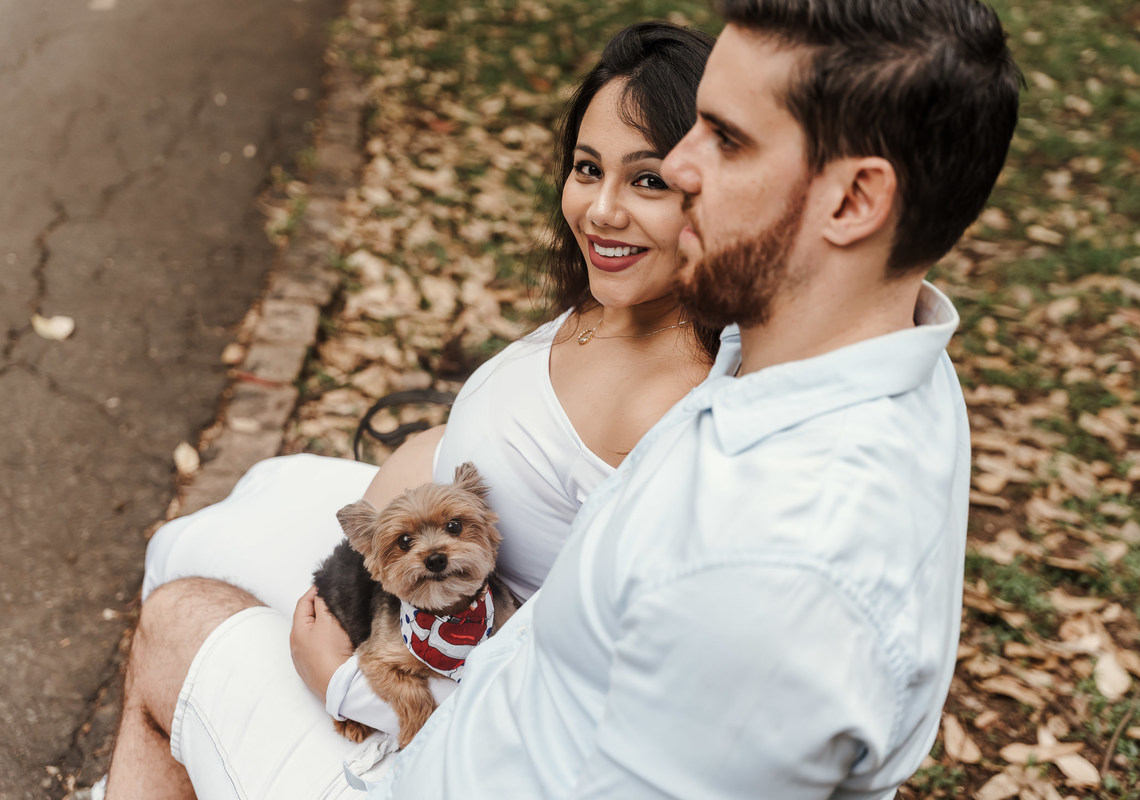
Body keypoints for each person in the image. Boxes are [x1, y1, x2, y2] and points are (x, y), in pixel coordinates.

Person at [111, 0, 1024, 795]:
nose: (686, 165)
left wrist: (360, 695)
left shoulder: (770, 575)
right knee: (227, 526)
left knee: (175, 617)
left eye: (728, 139)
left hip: (424, 771)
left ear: (856, 200)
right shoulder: (852, 351)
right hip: (483, 687)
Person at [106, 20, 717, 798]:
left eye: (648, 181)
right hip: (408, 567)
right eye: (588, 168)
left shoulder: (673, 409)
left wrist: (347, 687)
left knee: (173, 611)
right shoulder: (621, 300)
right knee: (211, 524)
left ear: (713, 195)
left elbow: (587, 697)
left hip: (443, 690)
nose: (600, 210)